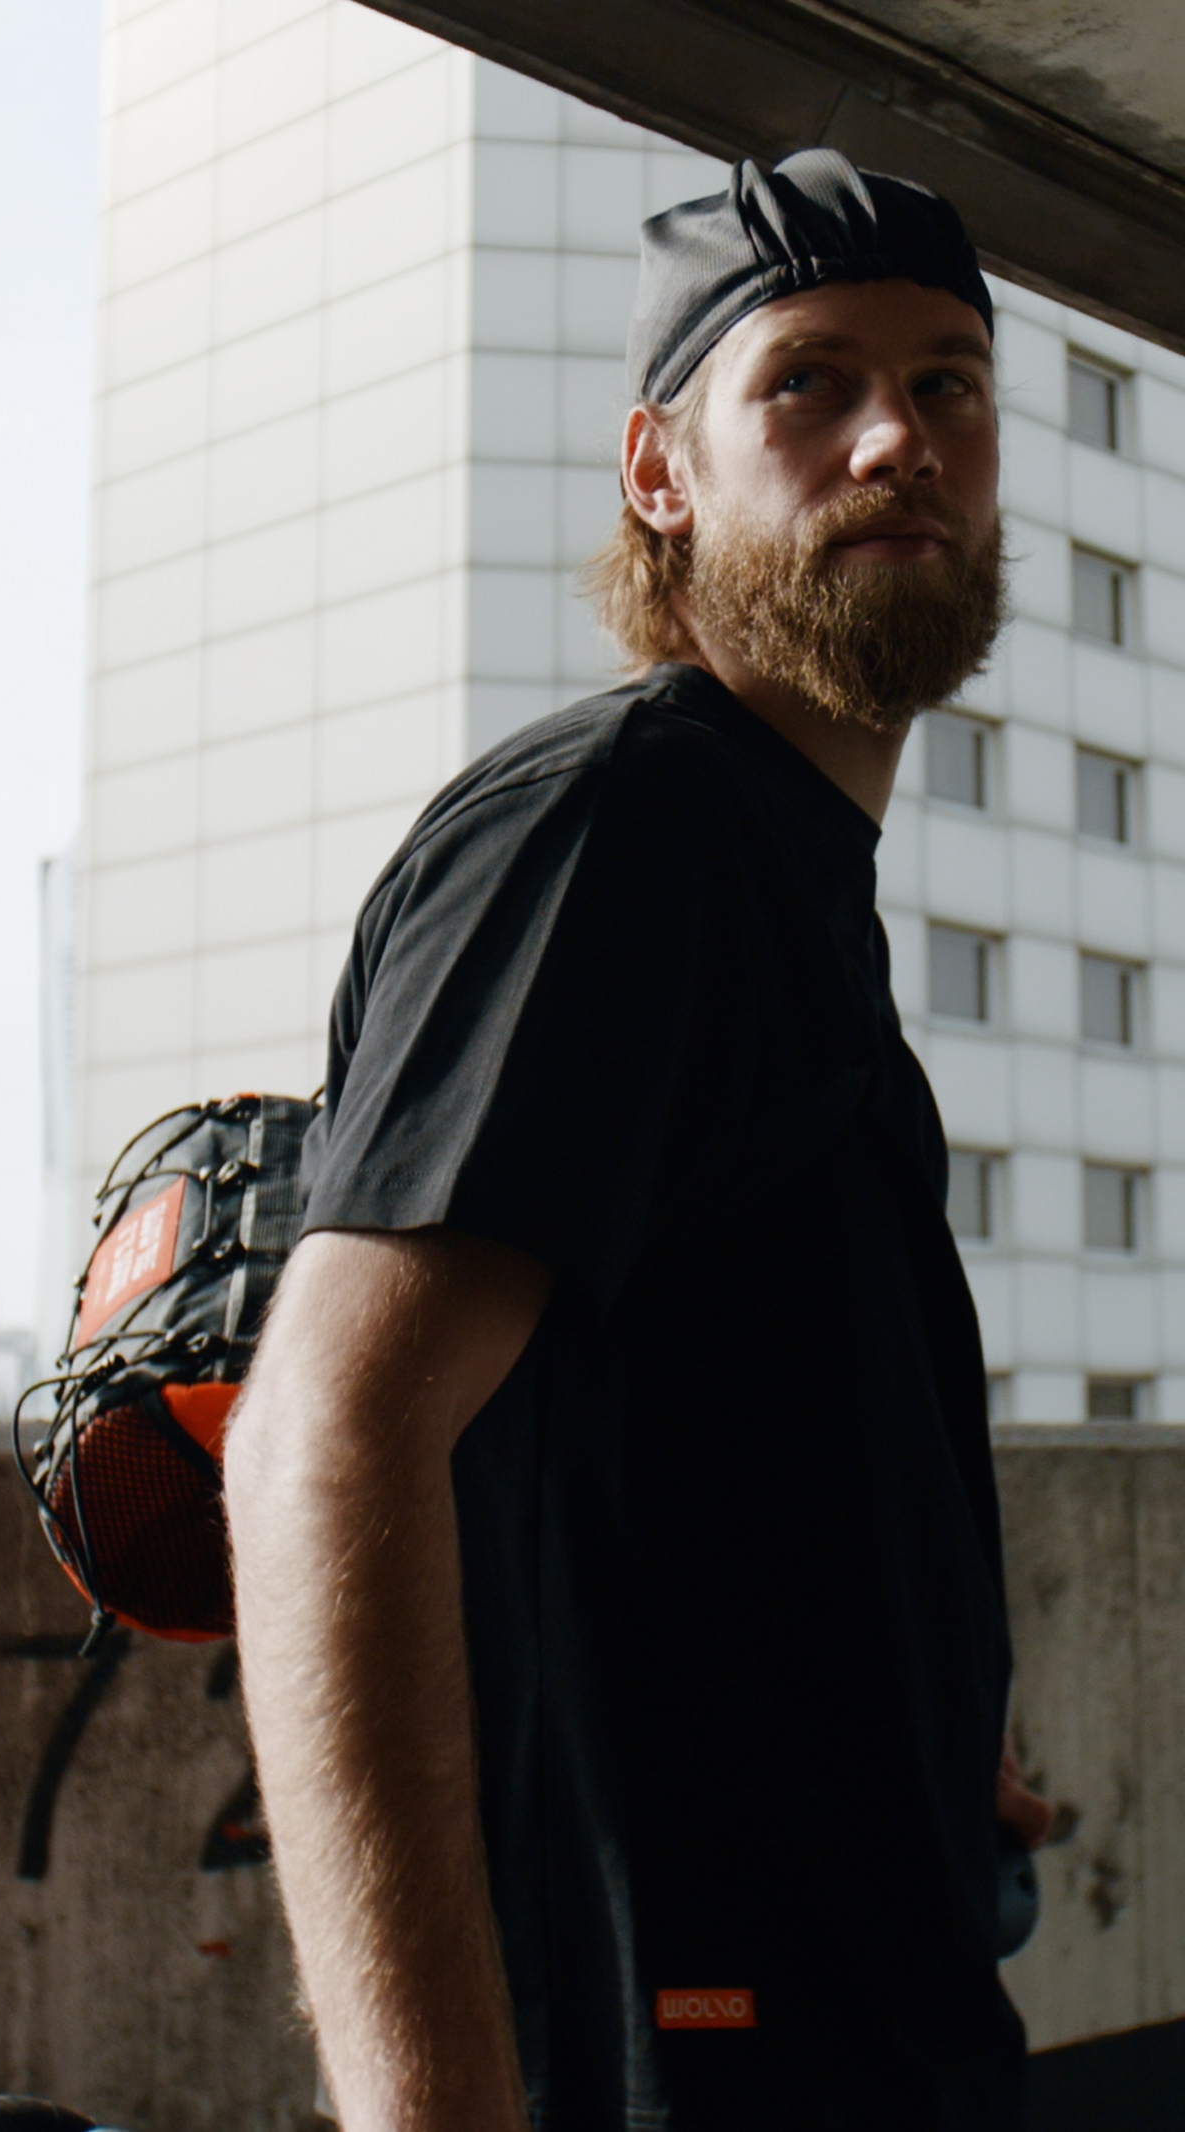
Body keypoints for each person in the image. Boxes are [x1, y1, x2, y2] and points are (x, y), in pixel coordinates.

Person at [225, 148, 1054, 2132]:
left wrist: (926, 1730)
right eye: (809, 381)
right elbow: (327, 1437)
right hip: (695, 2051)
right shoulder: (626, 825)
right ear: (658, 472)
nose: (897, 438)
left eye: (947, 385)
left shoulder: (785, 874)